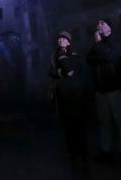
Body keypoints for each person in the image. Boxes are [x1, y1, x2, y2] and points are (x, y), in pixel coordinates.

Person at [86, 18, 121, 163]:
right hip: (100, 90)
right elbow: (89, 59)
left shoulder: (116, 42)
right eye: (97, 23)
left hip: (114, 88)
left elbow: (109, 57)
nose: (98, 25)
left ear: (109, 27)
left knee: (120, 120)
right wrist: (99, 48)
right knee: (104, 121)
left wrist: (99, 45)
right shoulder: (96, 44)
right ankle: (106, 150)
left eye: (102, 23)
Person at [49, 31, 89, 163]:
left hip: (75, 94)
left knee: (78, 123)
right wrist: (61, 72)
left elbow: (71, 72)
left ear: (69, 42)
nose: (60, 40)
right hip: (62, 95)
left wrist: (62, 60)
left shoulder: (74, 55)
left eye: (63, 39)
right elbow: (51, 71)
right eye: (59, 38)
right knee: (67, 124)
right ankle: (71, 151)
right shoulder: (54, 55)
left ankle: (81, 151)